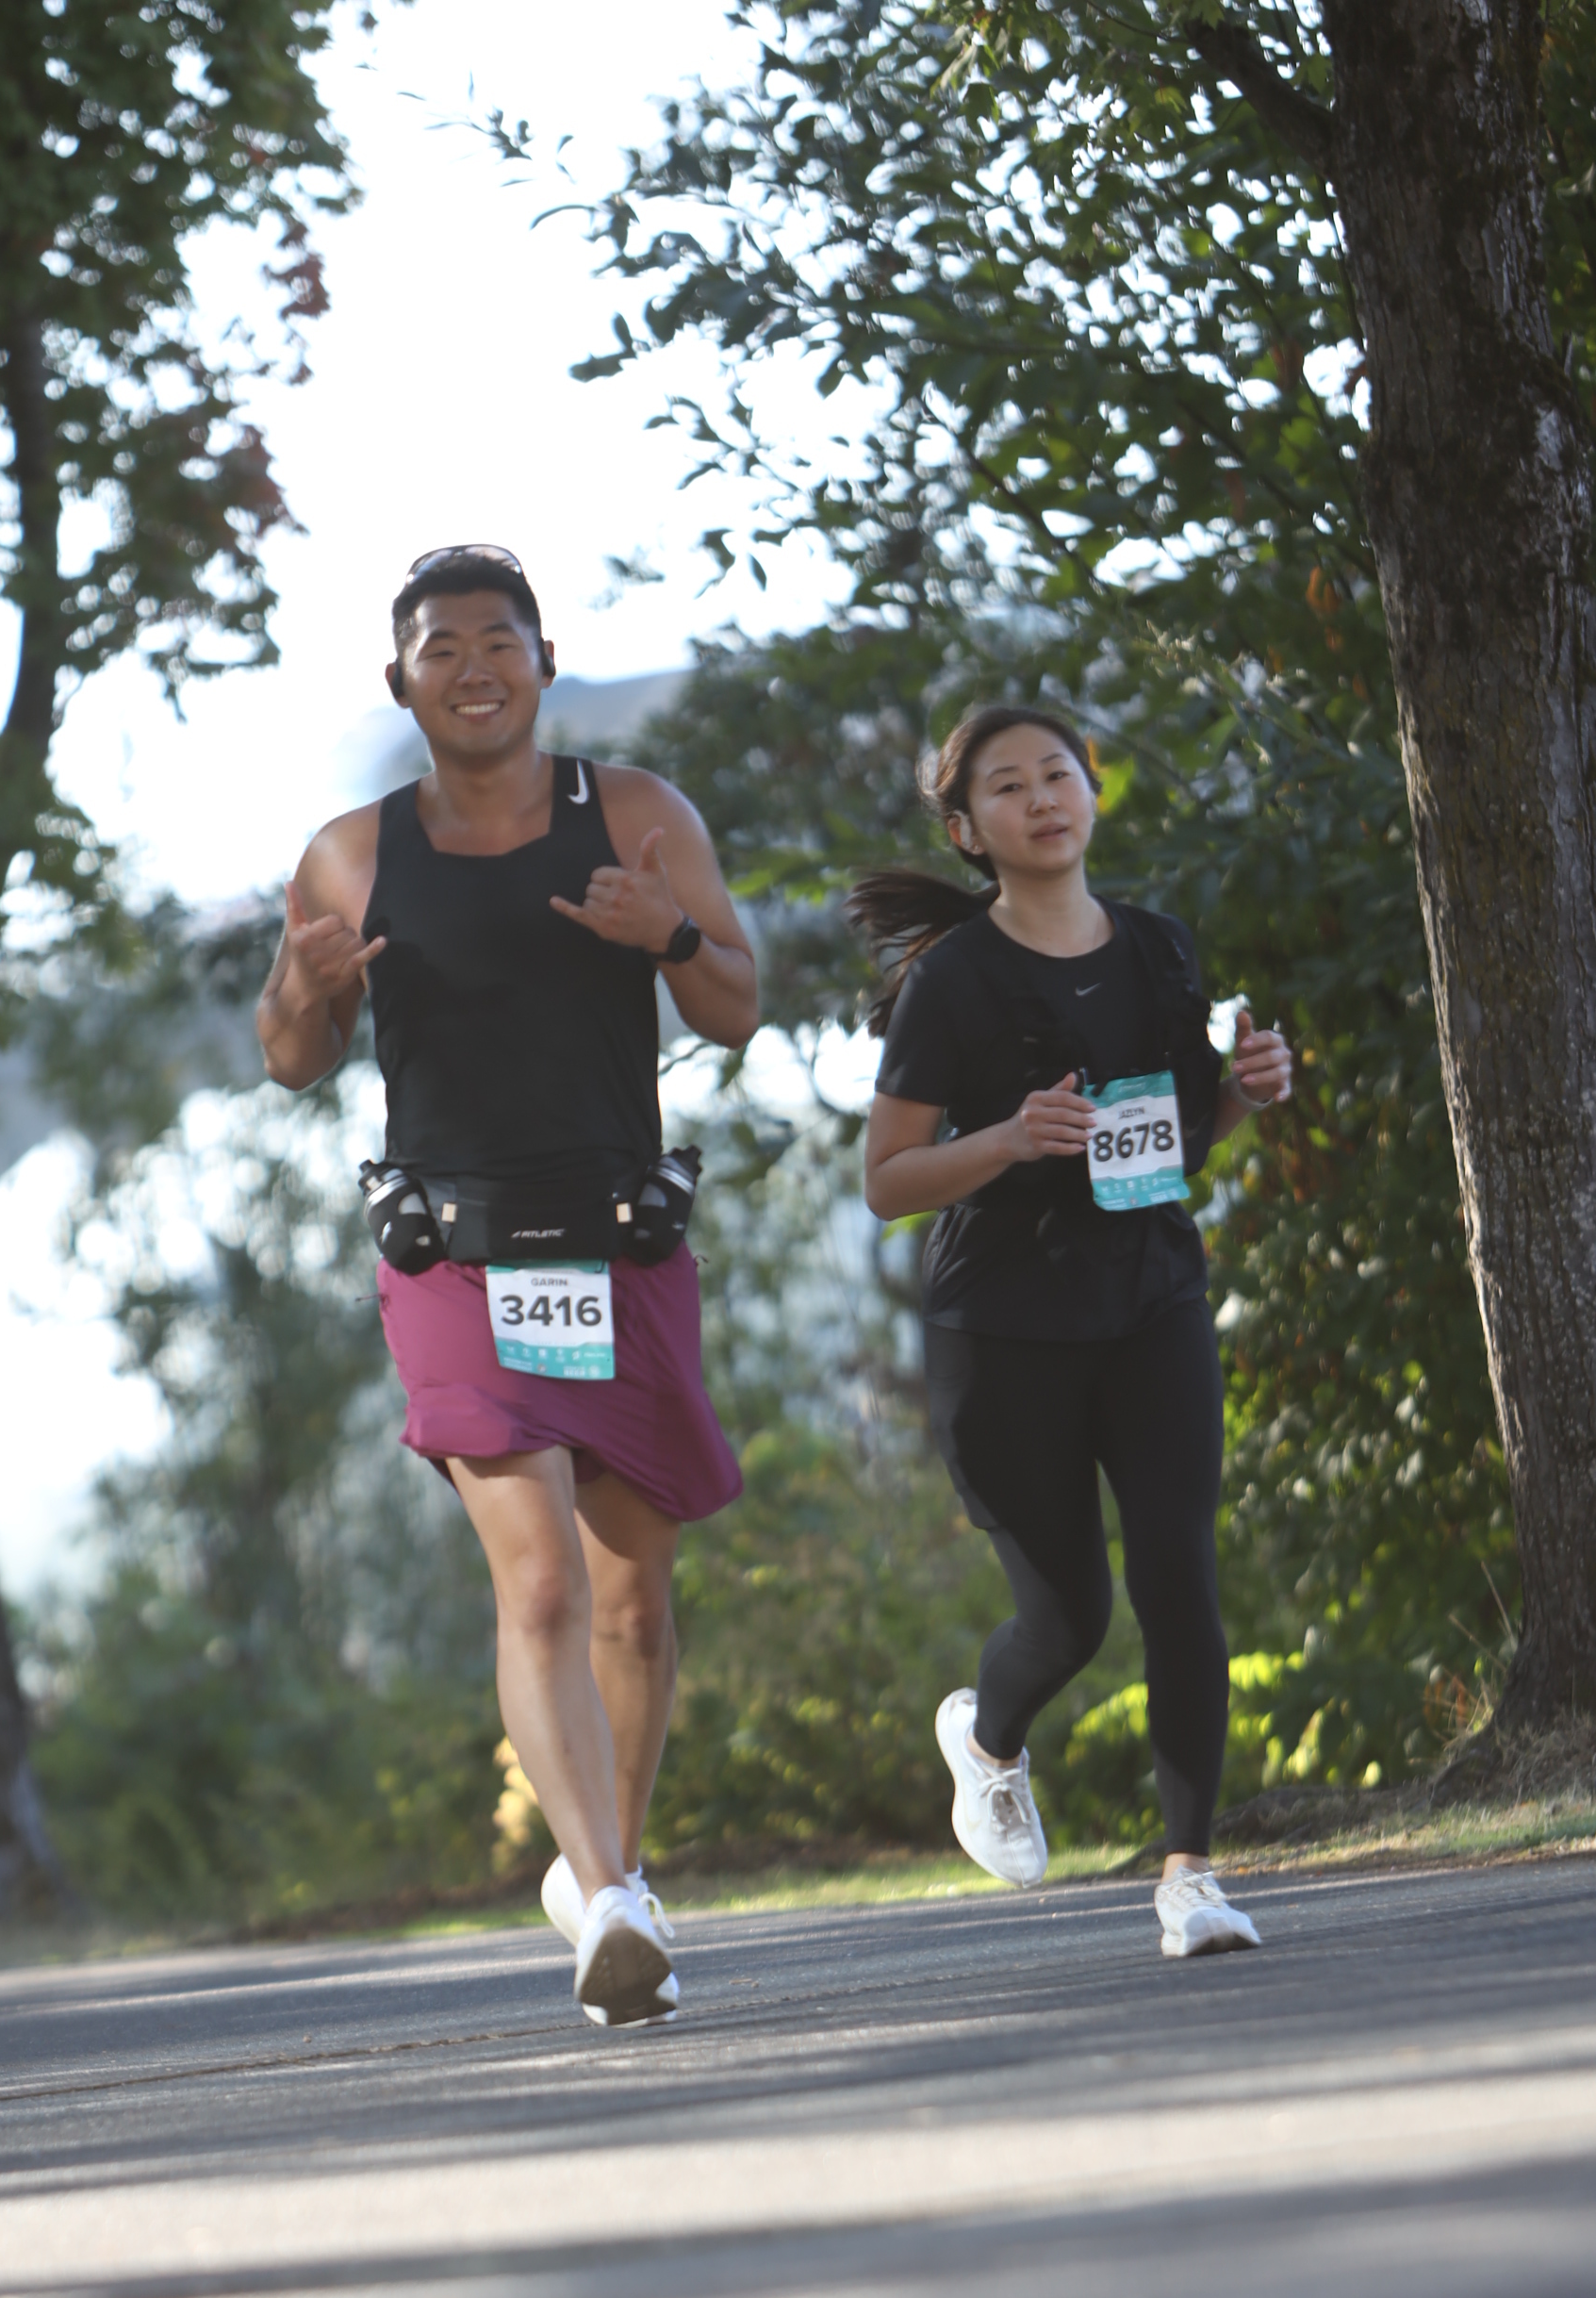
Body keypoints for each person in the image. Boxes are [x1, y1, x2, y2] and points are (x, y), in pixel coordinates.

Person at [256, 546, 758, 2025]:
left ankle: (617, 1875)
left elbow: (737, 1006)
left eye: (498, 642)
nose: (473, 668)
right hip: (455, 1258)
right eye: (442, 648)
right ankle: (605, 1899)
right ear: (399, 680)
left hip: (619, 1243)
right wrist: (306, 989)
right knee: (538, 1578)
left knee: (633, 1607)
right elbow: (292, 1057)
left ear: (545, 660)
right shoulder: (351, 854)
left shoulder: (641, 815)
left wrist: (666, 936)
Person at [856, 703, 1292, 1958]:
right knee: (1070, 1617)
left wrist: (1245, 1093)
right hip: (1005, 1325)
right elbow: (886, 1180)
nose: (1042, 798)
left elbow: (1176, 1140)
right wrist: (1006, 1139)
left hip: (1151, 1296)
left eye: (1059, 773)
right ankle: (988, 1739)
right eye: (1008, 786)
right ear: (968, 830)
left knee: (1179, 1576)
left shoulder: (1160, 948)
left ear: (1092, 793)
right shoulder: (954, 980)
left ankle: (1193, 1875)